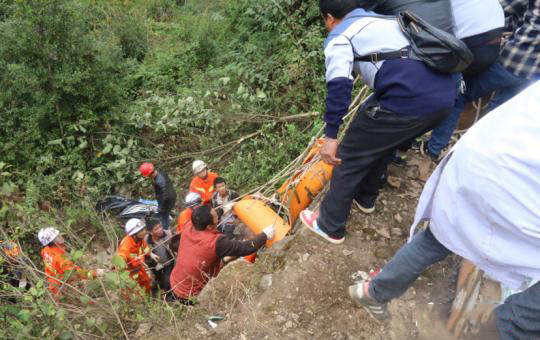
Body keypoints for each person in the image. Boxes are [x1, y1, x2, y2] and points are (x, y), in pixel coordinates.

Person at [348, 82, 540, 340]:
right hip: (520, 183)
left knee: (440, 236)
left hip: (479, 155)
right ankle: (503, 330)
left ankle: (374, 292)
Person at [299, 0, 455, 244]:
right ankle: (366, 197)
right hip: (445, 97)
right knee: (385, 142)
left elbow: (339, 87)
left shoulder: (340, 37)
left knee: (348, 155)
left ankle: (329, 225)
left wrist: (331, 138)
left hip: (408, 101)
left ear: (329, 18)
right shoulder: (386, 19)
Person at [421, 0, 539, 160]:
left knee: (457, 94)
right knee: (499, 116)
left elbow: (499, 10)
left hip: (513, 61)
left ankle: (434, 149)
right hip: (533, 75)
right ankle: (477, 157)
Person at [169, 205, 274, 302]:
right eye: (216, 218)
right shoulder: (215, 243)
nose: (218, 219)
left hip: (175, 281)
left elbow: (207, 218)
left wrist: (222, 209)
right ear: (209, 226)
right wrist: (264, 235)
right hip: (189, 293)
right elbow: (245, 248)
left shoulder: (190, 225)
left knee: (224, 260)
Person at [38, 227, 105, 295]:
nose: (60, 236)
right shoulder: (61, 259)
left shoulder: (45, 251)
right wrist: (95, 273)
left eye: (58, 234)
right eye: (57, 237)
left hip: (54, 284)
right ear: (52, 242)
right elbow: (76, 273)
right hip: (62, 288)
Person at [117, 218, 152, 294]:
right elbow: (121, 256)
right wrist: (121, 263)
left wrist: (151, 254)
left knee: (146, 284)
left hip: (140, 269)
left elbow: (145, 248)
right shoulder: (126, 245)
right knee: (133, 292)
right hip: (130, 274)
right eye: (141, 231)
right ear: (134, 234)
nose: (144, 232)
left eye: (143, 229)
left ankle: (148, 301)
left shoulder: (139, 240)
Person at [139, 162, 177, 230]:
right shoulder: (161, 172)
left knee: (163, 217)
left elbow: (166, 196)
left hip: (167, 201)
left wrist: (161, 209)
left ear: (149, 174)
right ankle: (168, 216)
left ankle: (165, 232)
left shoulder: (159, 182)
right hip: (172, 196)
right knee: (165, 213)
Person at [144, 218, 175, 293]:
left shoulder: (168, 234)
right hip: (154, 266)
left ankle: (168, 294)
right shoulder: (146, 241)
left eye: (160, 226)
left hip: (168, 263)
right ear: (150, 232)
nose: (160, 229)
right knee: (153, 282)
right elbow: (144, 252)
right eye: (156, 229)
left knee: (168, 283)